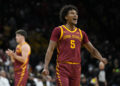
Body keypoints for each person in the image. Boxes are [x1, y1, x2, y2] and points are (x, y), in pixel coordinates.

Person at [42, 5, 108, 86]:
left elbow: (92, 50)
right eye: (72, 13)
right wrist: (46, 67)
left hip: (76, 68)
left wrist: (101, 58)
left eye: (76, 14)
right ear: (66, 17)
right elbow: (50, 49)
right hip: (63, 67)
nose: (75, 15)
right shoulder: (58, 30)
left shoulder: (81, 33)